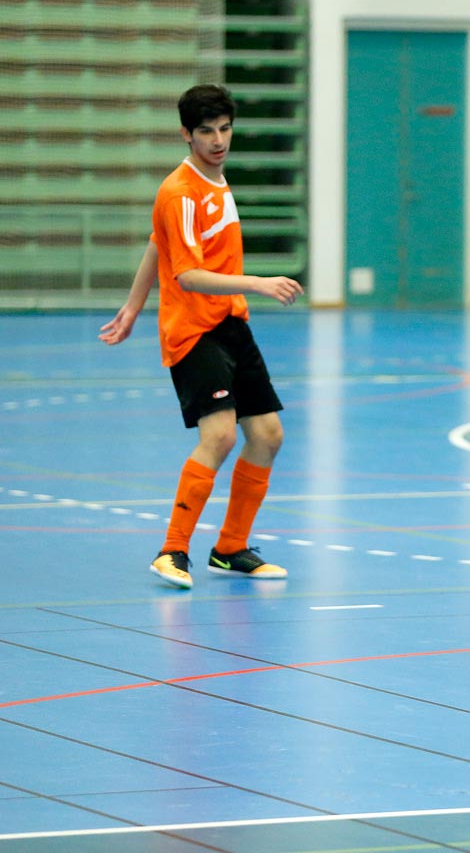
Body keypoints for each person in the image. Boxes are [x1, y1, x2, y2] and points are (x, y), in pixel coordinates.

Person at [99, 83, 302, 590]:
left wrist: (130, 306)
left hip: (230, 322)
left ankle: (231, 548)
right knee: (220, 435)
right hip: (193, 330)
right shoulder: (180, 191)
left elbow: (156, 244)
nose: (218, 140)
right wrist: (258, 282)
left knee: (268, 436)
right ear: (186, 135)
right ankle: (172, 550)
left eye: (225, 129)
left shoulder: (216, 180)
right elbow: (186, 273)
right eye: (206, 132)